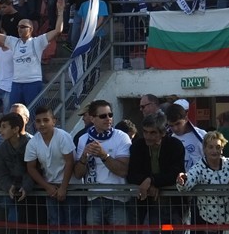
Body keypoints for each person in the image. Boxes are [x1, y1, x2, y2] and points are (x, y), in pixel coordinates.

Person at [0, 0, 65, 106]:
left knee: (33, 112)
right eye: (18, 27)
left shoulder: (38, 41)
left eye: (23, 27)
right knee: (15, 113)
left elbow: (58, 30)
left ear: (31, 29)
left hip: (33, 83)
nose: (19, 29)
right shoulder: (13, 42)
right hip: (16, 83)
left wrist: (60, 11)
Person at [74, 100, 132, 233]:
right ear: (92, 118)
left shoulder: (121, 137)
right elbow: (78, 174)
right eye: (103, 116)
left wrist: (104, 155)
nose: (108, 119)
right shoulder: (83, 139)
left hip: (118, 198)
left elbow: (123, 171)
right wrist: (83, 157)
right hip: (93, 198)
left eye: (110, 115)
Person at [25, 105, 82, 234]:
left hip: (72, 187)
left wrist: (63, 188)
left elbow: (70, 162)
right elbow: (31, 168)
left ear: (54, 121)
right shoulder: (33, 142)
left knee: (73, 226)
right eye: (38, 121)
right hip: (51, 188)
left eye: (46, 120)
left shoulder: (63, 136)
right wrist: (47, 187)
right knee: (54, 224)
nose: (42, 124)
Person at [176, 131, 229, 232]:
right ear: (204, 149)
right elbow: (187, 184)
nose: (214, 151)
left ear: (222, 149)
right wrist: (182, 180)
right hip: (206, 222)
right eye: (210, 147)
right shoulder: (199, 167)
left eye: (218, 147)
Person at [127, 113, 185, 232]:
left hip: (172, 203)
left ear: (162, 133)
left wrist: (152, 181)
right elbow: (132, 174)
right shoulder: (137, 146)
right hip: (146, 203)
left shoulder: (175, 145)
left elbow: (176, 173)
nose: (148, 136)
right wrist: (149, 183)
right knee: (154, 230)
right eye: (145, 132)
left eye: (152, 132)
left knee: (173, 230)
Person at [0, 112, 36, 228]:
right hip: (10, 193)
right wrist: (8, 186)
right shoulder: (2, 149)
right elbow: (1, 172)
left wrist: (26, 187)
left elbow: (33, 170)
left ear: (16, 129)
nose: (0, 130)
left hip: (32, 194)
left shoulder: (30, 145)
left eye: (4, 127)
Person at [165, 103, 207, 171]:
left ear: (186, 119)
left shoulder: (201, 135)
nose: (175, 128)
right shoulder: (170, 139)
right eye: (171, 125)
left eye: (178, 124)